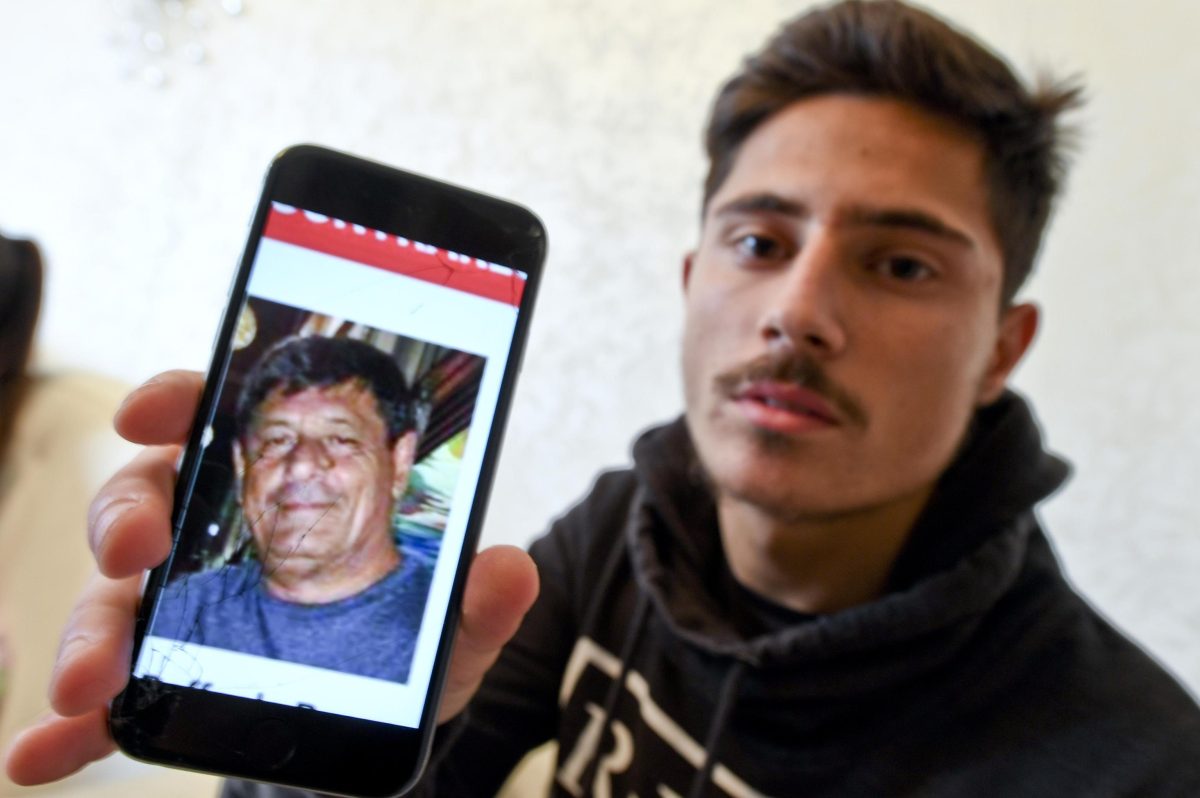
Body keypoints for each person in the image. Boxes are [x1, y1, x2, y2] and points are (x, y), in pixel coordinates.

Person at [7, 0, 1200, 795]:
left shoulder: (1133, 766)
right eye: (758, 242)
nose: (798, 313)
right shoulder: (628, 532)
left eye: (900, 264)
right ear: (690, 282)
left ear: (1002, 348)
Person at [150, 334, 433, 683]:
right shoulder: (180, 612)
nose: (300, 465)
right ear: (242, 466)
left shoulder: (442, 629)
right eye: (277, 440)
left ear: (400, 462)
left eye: (341, 439)